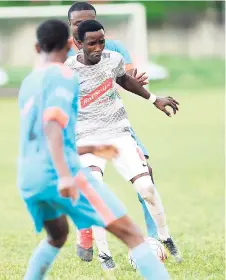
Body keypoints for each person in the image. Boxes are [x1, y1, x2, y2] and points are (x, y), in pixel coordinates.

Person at [17, 19, 170, 280]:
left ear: (36, 47)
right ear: (70, 43)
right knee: (133, 235)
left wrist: (91, 146)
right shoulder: (64, 74)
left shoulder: (29, 83)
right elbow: (54, 126)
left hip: (29, 176)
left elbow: (42, 134)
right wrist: (66, 174)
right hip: (60, 171)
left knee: (56, 237)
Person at [66, 2, 182, 268]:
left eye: (101, 41)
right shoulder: (65, 65)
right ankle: (100, 248)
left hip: (118, 129)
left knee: (146, 181)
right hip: (85, 136)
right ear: (75, 37)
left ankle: (161, 236)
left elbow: (123, 77)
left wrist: (152, 97)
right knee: (91, 189)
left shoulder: (114, 52)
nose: (98, 47)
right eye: (90, 41)